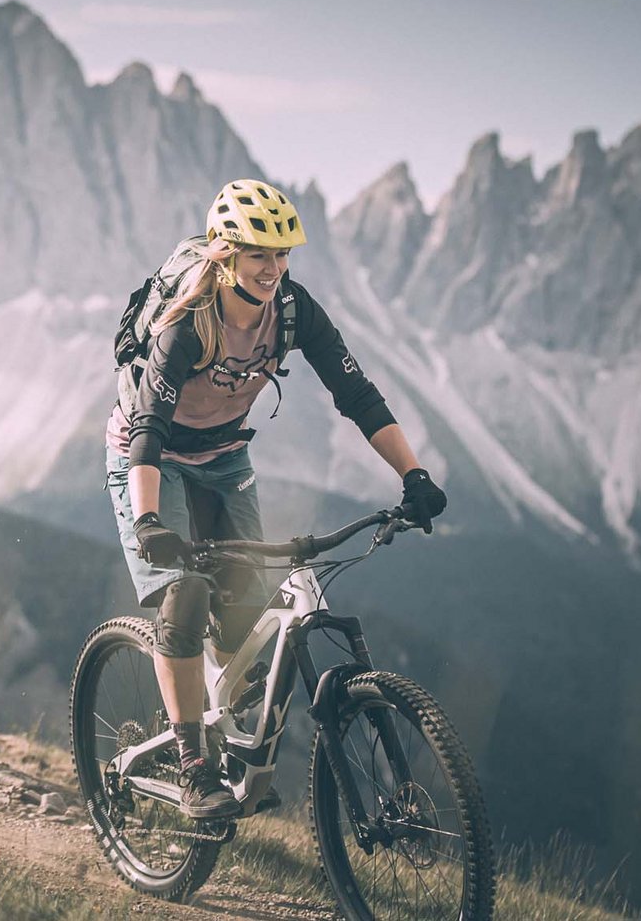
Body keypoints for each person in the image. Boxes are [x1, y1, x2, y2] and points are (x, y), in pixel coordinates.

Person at [104, 178, 447, 819]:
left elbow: (359, 395)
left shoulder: (292, 310)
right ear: (224, 252)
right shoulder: (189, 320)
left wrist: (414, 475)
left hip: (225, 456)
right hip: (149, 458)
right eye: (260, 253)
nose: (275, 267)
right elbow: (148, 429)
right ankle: (192, 766)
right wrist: (149, 518)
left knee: (245, 616)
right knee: (184, 597)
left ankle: (232, 740)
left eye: (284, 252)